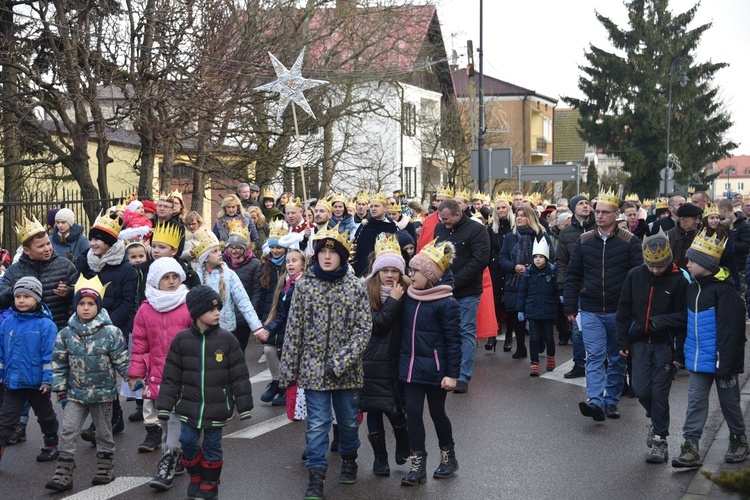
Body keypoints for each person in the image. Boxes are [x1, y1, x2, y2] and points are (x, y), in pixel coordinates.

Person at [279, 224, 371, 499]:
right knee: (317, 425)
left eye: (333, 252)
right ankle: (316, 476)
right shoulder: (305, 287)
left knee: (348, 423)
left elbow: (363, 329)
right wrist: (288, 372)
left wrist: (342, 361)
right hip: (313, 371)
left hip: (347, 373)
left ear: (343, 256)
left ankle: (350, 458)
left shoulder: (355, 286)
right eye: (323, 252)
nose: (327, 257)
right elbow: (294, 329)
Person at [157, 285, 254, 500]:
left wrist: (244, 407)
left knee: (212, 445)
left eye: (218, 308)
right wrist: (163, 406)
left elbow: (239, 375)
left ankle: (210, 483)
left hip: (218, 407)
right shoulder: (182, 340)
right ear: (197, 313)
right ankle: (196, 475)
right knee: (188, 442)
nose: (217, 313)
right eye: (211, 310)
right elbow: (171, 375)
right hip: (188, 405)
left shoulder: (227, 339)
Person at [564, 190, 643, 422]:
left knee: (617, 358)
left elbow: (638, 278)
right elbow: (573, 274)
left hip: (620, 312)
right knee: (595, 356)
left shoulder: (630, 241)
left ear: (616, 214)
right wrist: (570, 305)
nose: (599, 216)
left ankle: (611, 402)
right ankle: (596, 401)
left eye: (605, 213)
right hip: (590, 309)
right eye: (597, 212)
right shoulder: (584, 240)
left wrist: (635, 310)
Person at [672, 230, 749, 468]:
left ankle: (738, 439)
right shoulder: (692, 287)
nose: (688, 264)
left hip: (722, 361)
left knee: (730, 402)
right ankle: (690, 446)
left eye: (692, 261)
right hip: (697, 359)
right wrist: (681, 354)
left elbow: (732, 332)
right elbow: (686, 324)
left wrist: (727, 363)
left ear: (705, 264)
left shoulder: (724, 292)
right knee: (696, 402)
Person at [46, 276, 130, 491]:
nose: (85, 308)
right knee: (68, 431)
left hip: (103, 395)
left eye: (91, 304)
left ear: (98, 306)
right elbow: (60, 363)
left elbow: (121, 360)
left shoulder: (111, 333)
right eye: (81, 303)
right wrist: (61, 389)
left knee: (103, 433)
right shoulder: (66, 334)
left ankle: (105, 467)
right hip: (76, 393)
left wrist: (133, 380)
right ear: (75, 306)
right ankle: (64, 472)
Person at [616, 229, 689, 464]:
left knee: (659, 394)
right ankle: (655, 418)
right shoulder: (634, 275)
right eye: (651, 266)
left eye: (660, 265)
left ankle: (660, 441)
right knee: (640, 389)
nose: (656, 270)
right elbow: (624, 309)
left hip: (663, 345)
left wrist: (679, 351)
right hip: (639, 343)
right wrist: (622, 340)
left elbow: (684, 317)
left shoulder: (679, 280)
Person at [400, 239, 461, 485]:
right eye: (410, 270)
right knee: (412, 415)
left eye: (415, 271)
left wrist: (452, 374)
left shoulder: (447, 303)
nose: (409, 274)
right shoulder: (407, 297)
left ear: (431, 275)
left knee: (437, 413)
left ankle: (448, 456)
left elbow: (454, 342)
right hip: (410, 368)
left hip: (436, 371)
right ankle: (418, 464)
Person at [129, 257, 192, 489]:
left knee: (174, 418)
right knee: (165, 418)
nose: (172, 281)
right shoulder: (146, 310)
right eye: (166, 277)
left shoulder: (189, 303)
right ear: (156, 281)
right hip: (156, 374)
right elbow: (139, 344)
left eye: (175, 276)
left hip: (184, 374)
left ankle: (167, 461)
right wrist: (135, 373)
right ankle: (178, 454)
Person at [76, 212, 136, 442]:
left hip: (112, 330)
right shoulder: (86, 263)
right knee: (94, 376)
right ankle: (115, 418)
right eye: (91, 239)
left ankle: (101, 422)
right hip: (87, 329)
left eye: (98, 239)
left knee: (106, 376)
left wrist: (106, 325)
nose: (92, 243)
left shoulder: (127, 270)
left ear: (110, 242)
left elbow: (128, 304)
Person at [360, 234, 410, 477]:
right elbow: (377, 326)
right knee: (374, 408)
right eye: (385, 270)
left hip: (398, 358)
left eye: (394, 270)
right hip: (372, 361)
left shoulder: (407, 291)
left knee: (396, 408)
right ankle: (380, 458)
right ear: (376, 272)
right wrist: (393, 302)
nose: (389, 275)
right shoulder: (367, 292)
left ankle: (402, 439)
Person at [0, 277, 60, 464]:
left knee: (45, 415)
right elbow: (2, 352)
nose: (21, 300)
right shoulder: (7, 322)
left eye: (27, 296)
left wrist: (48, 380)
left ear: (37, 299)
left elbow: (50, 356)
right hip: (14, 382)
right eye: (18, 296)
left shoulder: (46, 325)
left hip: (38, 383)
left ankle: (51, 441)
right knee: (6, 417)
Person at [433, 199, 489, 393]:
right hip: (442, 290)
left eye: (447, 219)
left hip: (467, 292)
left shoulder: (477, 230)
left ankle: (463, 376)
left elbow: (479, 260)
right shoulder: (440, 229)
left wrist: (455, 281)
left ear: (458, 214)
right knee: (442, 330)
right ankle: (444, 371)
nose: (444, 222)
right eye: (442, 218)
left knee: (465, 331)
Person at [0, 216, 80, 330]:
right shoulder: (13, 271)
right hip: (26, 333)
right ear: (27, 250)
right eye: (41, 246)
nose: (47, 248)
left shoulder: (66, 266)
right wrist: (14, 290)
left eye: (48, 243)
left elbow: (82, 295)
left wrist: (69, 292)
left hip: (60, 331)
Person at [192, 230, 265, 342]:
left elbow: (243, 301)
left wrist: (257, 328)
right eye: (215, 251)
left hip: (227, 330)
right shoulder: (197, 276)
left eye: (219, 250)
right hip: (203, 330)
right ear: (205, 257)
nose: (220, 253)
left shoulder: (229, 274)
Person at [500, 206, 552, 360]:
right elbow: (502, 258)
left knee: (537, 312)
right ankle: (521, 346)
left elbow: (551, 257)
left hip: (537, 281)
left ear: (531, 217)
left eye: (523, 215)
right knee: (516, 314)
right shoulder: (510, 236)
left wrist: (533, 267)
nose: (519, 218)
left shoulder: (541, 235)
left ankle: (540, 339)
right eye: (517, 215)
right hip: (514, 282)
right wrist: (514, 267)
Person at [259, 248, 306, 407]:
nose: (290, 264)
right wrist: (268, 329)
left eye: (294, 260)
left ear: (303, 264)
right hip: (284, 327)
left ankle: (288, 389)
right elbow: (281, 314)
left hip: (299, 331)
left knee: (290, 353)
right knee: (268, 349)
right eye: (288, 261)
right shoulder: (285, 283)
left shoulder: (304, 284)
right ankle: (277, 381)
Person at [555, 194, 594, 378]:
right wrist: (563, 287)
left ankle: (602, 362)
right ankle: (579, 364)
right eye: (580, 203)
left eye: (587, 203)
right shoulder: (566, 232)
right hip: (577, 287)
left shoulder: (599, 228)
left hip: (598, 285)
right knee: (577, 329)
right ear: (573, 208)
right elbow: (561, 261)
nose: (585, 206)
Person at [517, 238, 558, 376]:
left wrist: (560, 299)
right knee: (534, 338)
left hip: (548, 310)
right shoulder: (528, 273)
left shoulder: (552, 272)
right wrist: (521, 309)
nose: (538, 260)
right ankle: (534, 363)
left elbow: (557, 289)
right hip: (532, 310)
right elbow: (522, 292)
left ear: (546, 258)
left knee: (549, 337)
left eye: (541, 257)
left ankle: (551, 356)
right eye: (536, 257)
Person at [222, 222, 262, 352]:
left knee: (239, 350)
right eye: (231, 247)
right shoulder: (222, 262)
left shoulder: (254, 263)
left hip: (242, 315)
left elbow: (256, 290)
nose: (233, 251)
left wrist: (252, 311)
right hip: (226, 313)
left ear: (245, 249)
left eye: (237, 248)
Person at [488, 195, 513, 351]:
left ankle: (509, 336)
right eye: (498, 208)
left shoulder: (515, 226)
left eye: (504, 207)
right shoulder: (491, 228)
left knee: (509, 302)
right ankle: (493, 334)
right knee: (495, 300)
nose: (501, 210)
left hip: (511, 265)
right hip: (495, 266)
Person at [351, 192, 398, 277]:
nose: (373, 209)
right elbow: (356, 244)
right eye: (371, 206)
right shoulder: (365, 225)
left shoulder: (392, 227)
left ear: (385, 208)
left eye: (376, 206)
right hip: (362, 269)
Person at [667, 202, 702, 269]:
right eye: (694, 219)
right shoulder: (668, 236)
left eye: (698, 218)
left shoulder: (700, 237)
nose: (697, 222)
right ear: (683, 219)